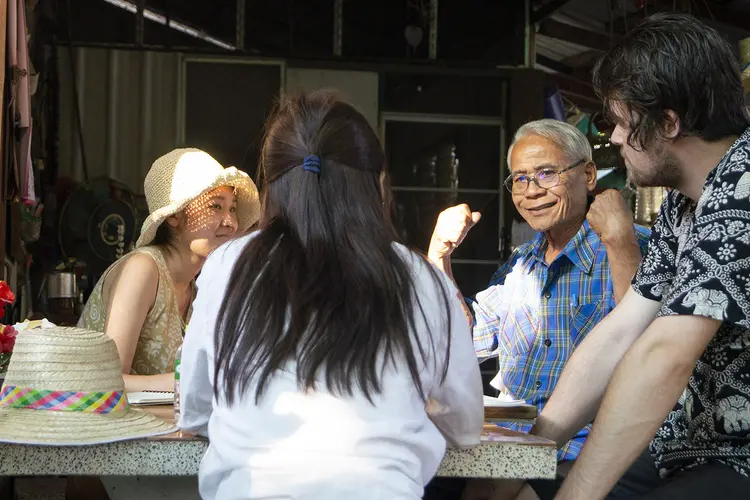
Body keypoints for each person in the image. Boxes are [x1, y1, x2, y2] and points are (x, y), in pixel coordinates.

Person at [178, 90, 484, 500]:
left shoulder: (227, 266)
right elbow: (464, 427)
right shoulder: (421, 278)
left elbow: (195, 412)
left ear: (271, 187)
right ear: (377, 184)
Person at [529, 13, 750, 499]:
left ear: (668, 122)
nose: (614, 138)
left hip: (739, 457)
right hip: (687, 446)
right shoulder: (684, 202)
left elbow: (664, 355)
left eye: (623, 122)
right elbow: (622, 330)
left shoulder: (743, 189)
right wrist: (528, 458)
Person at [425, 119, 650, 500]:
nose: (531, 191)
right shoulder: (521, 264)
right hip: (507, 440)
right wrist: (439, 255)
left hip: (585, 447)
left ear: (589, 174)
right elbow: (462, 343)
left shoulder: (632, 245)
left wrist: (620, 242)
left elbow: (651, 352)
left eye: (547, 174)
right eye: (519, 179)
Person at [78, 148, 260, 393]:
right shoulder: (143, 269)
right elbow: (109, 381)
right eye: (216, 207)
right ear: (174, 217)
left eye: (232, 209)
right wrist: (187, 382)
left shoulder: (199, 284)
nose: (230, 222)